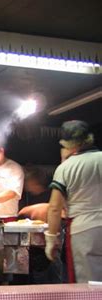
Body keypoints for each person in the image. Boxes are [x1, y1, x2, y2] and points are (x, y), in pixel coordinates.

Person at [45, 120, 102, 283]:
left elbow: (55, 208)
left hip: (84, 230)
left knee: (88, 284)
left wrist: (51, 239)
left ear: (67, 144)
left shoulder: (66, 167)